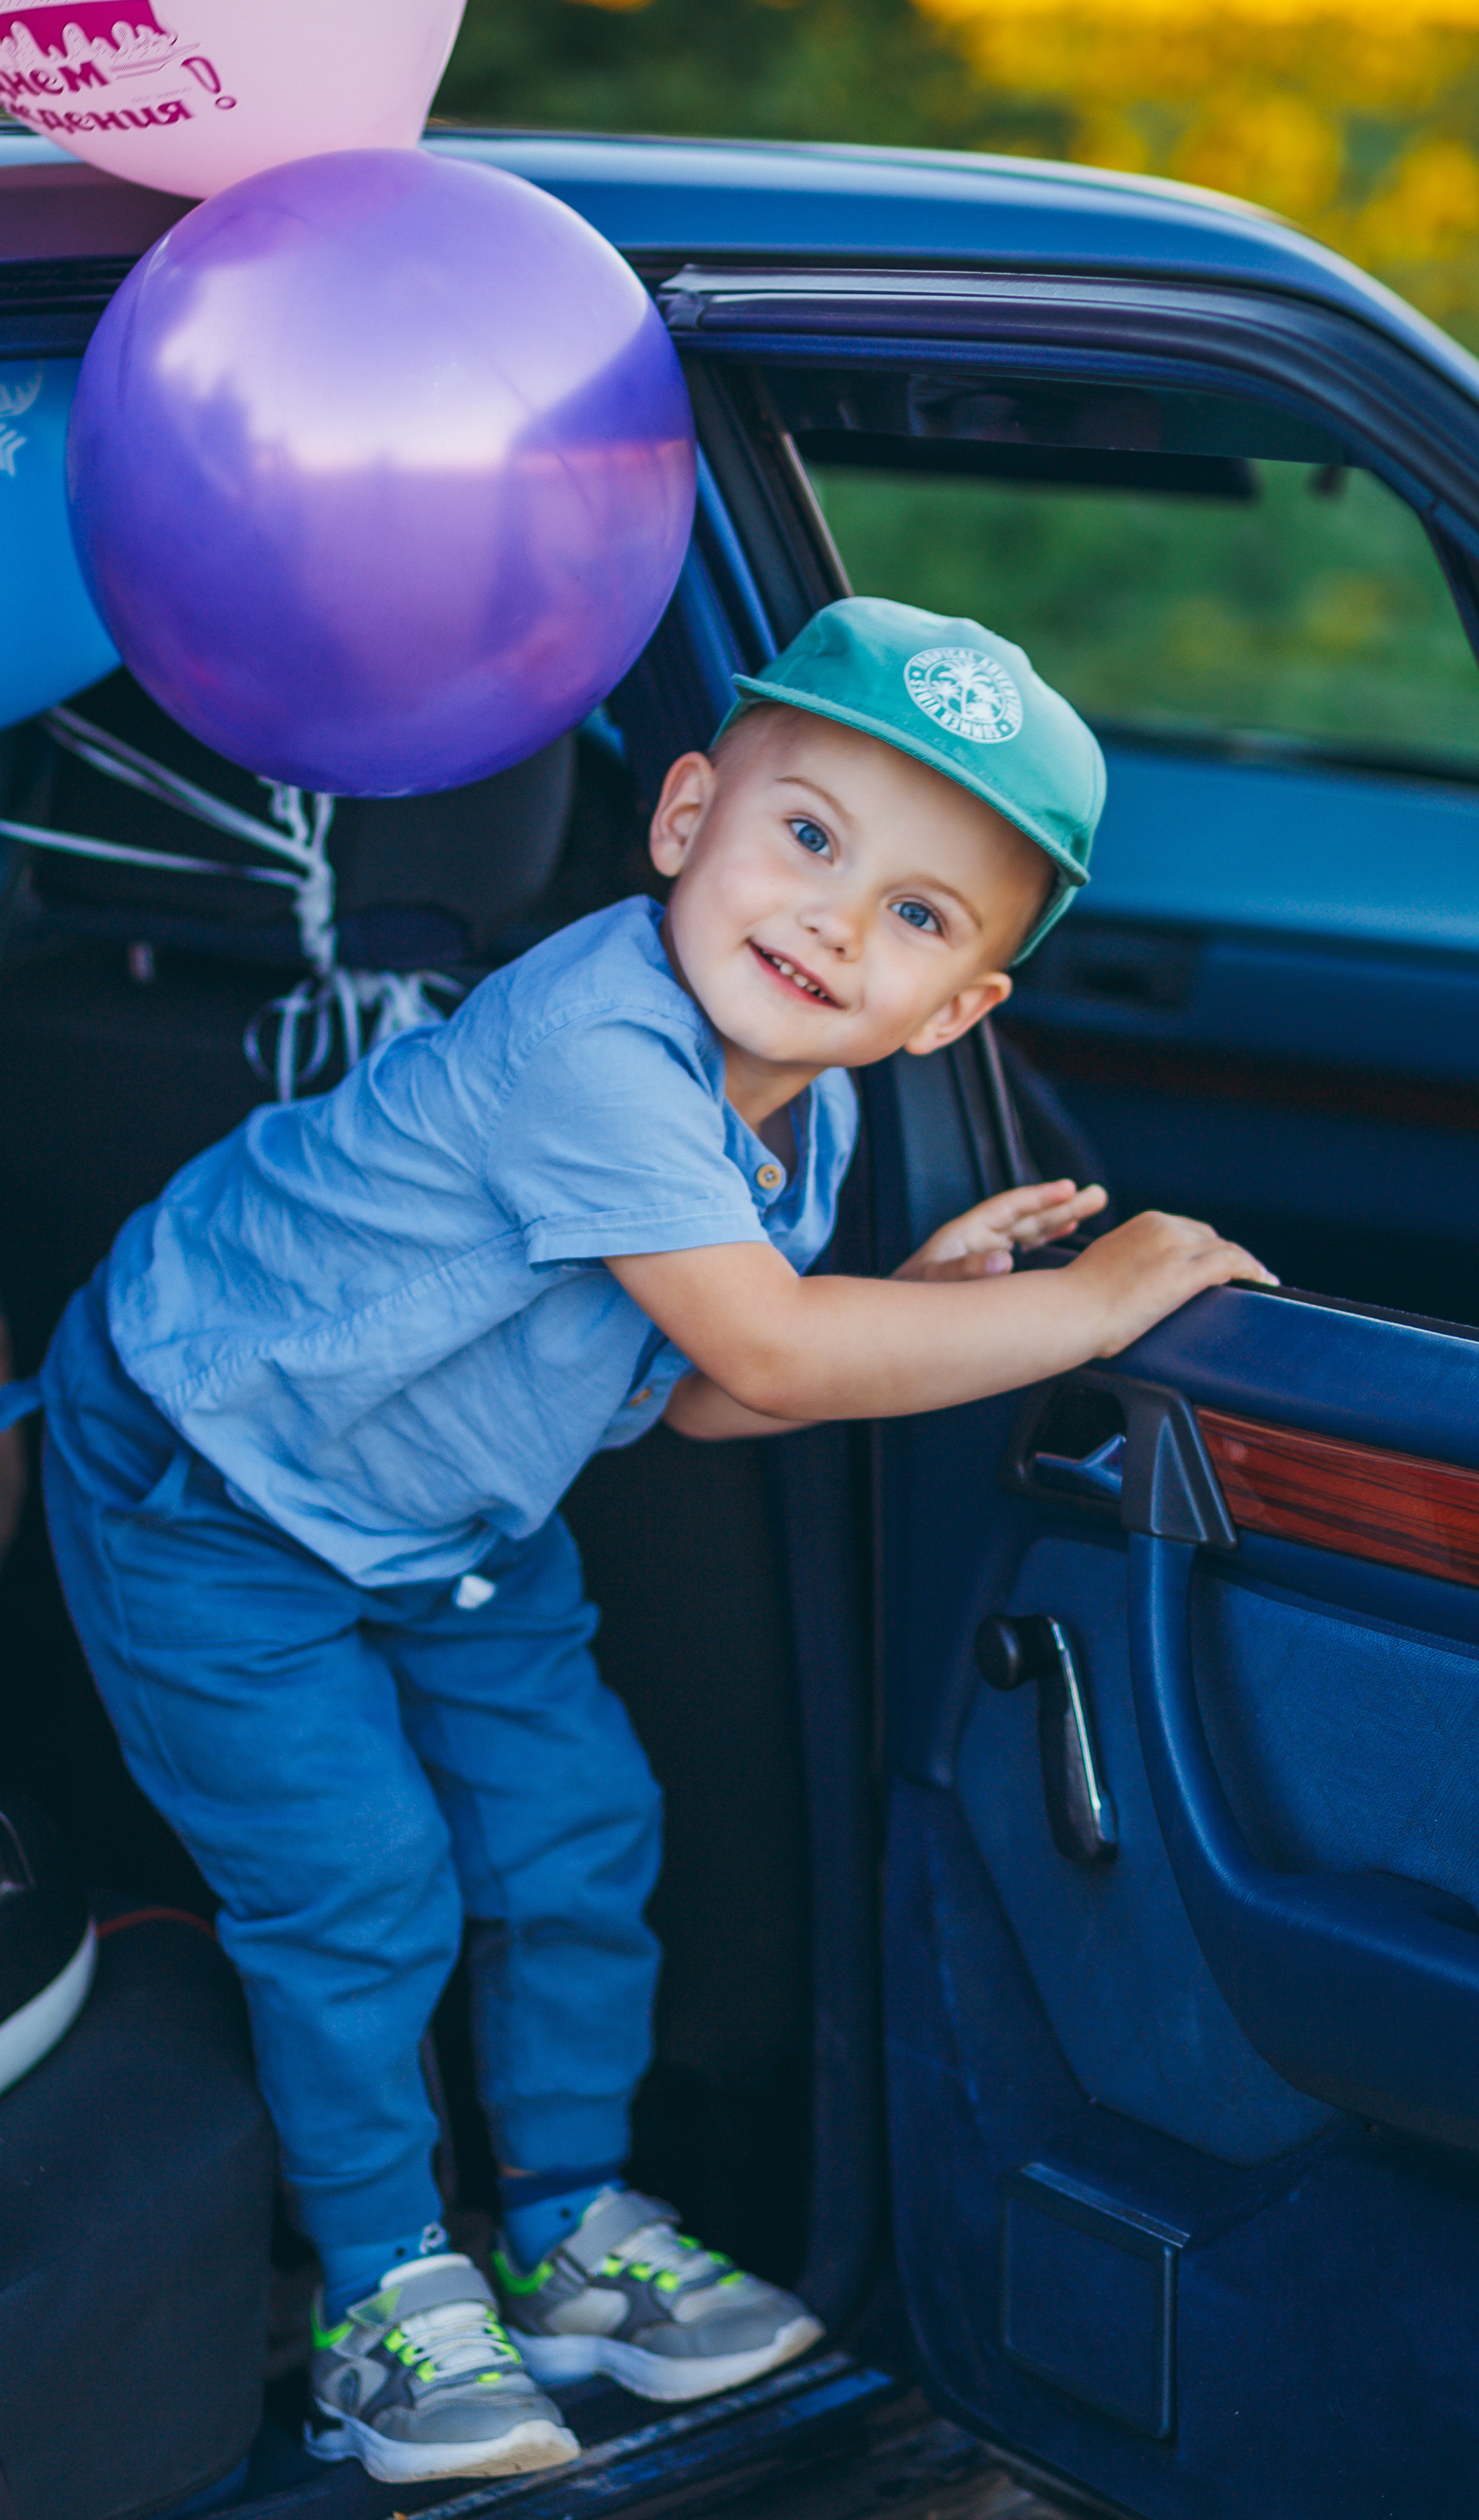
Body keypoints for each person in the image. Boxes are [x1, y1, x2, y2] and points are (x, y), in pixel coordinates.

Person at [22, 598, 1272, 2486]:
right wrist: (1081, 1308)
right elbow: (768, 1341)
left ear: (956, 1012)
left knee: (580, 1830)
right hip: (216, 1467)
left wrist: (917, 1296)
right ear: (685, 814)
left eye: (921, 916)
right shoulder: (590, 1042)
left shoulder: (810, 1126)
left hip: (449, 1501)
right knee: (359, 1883)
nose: (837, 920)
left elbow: (703, 1396)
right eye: (810, 835)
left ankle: (569, 2231)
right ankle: (380, 2296)